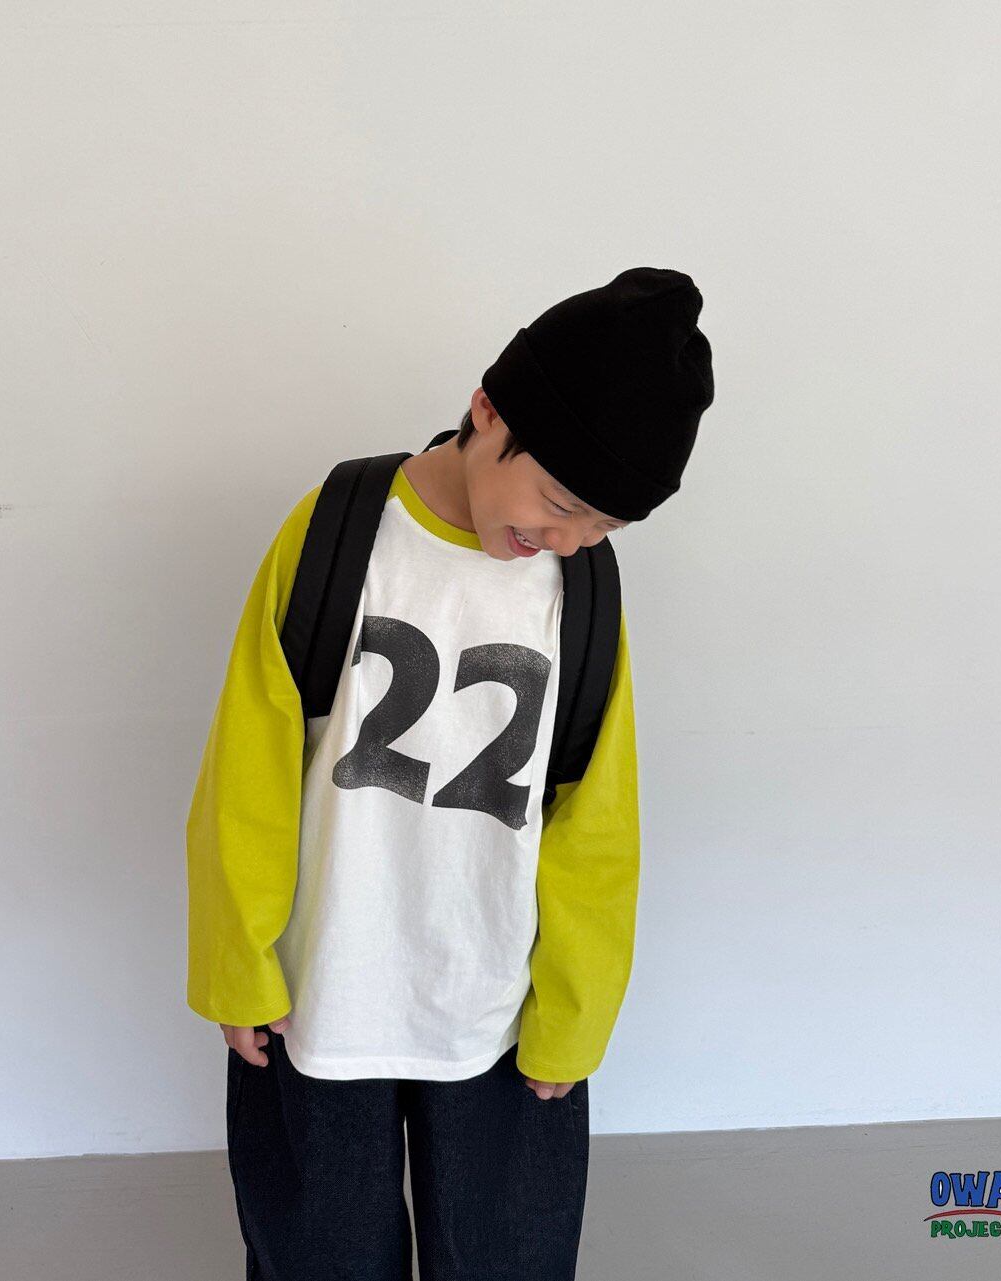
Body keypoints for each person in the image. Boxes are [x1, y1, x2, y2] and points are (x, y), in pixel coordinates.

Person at [185, 266, 716, 1280]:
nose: (567, 539)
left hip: (494, 1008)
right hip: (319, 996)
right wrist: (235, 958)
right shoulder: (338, 531)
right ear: (487, 410)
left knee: (508, 1258)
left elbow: (595, 821)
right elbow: (247, 767)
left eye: (604, 526)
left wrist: (573, 1014)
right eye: (560, 502)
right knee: (319, 1256)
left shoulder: (578, 592)